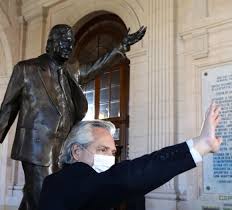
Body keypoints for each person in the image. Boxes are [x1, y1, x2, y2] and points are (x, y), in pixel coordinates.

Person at [0, 24, 146, 210]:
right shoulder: (27, 69)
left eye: (71, 42)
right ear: (50, 44)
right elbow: (8, 107)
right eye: (64, 41)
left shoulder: (71, 69)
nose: (69, 46)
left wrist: (121, 46)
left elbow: (95, 67)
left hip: (65, 147)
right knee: (45, 195)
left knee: (38, 195)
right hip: (36, 147)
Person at [39, 103, 222, 210]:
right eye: (102, 150)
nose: (110, 158)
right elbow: (127, 176)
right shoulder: (60, 183)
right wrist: (200, 146)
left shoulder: (105, 186)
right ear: (77, 152)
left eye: (112, 152)